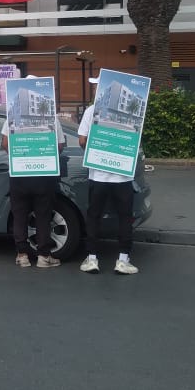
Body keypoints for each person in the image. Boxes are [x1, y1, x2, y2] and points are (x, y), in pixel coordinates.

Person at [1, 76, 66, 269]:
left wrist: (20, 155)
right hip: (43, 174)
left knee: (20, 215)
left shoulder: (12, 115)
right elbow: (60, 145)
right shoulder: (51, 116)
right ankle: (44, 257)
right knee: (43, 215)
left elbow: (5, 143)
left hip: (20, 174)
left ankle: (22, 255)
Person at [78, 75, 138, 275]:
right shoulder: (131, 112)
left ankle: (92, 259)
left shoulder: (91, 111)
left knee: (94, 216)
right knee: (125, 217)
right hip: (123, 177)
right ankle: (123, 260)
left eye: (96, 87)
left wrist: (96, 150)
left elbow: (82, 141)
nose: (94, 90)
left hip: (99, 176)